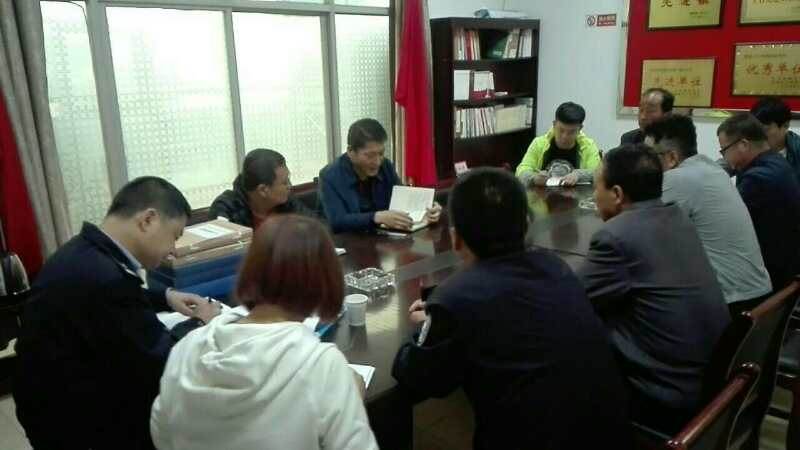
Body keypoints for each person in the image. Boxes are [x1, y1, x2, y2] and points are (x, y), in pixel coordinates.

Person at [392, 168, 630, 450]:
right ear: (527, 225)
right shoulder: (556, 267)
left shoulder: (455, 298)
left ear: (455, 239)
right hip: (612, 436)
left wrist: (430, 326)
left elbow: (417, 376)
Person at [13, 177, 221, 450]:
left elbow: (120, 297)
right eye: (175, 235)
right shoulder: (105, 277)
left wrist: (167, 297)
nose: (173, 249)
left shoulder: (85, 251)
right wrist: (201, 321)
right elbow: (159, 358)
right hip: (79, 424)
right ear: (148, 220)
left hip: (49, 401)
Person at [151, 215, 378, 450]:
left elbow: (162, 435)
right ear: (326, 282)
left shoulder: (185, 350)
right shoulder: (321, 365)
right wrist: (352, 397)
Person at [577, 144, 730, 435]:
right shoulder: (677, 217)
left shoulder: (616, 237)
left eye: (596, 188)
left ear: (617, 194)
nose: (594, 197)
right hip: (710, 381)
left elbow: (573, 302)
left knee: (568, 344)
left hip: (665, 395)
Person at [643, 115, 772, 310]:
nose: (645, 164)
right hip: (757, 295)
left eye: (650, 157)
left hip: (731, 302)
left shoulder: (678, 178)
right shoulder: (711, 168)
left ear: (671, 157)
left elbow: (638, 229)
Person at [718, 113, 800, 292]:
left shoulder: (759, 178)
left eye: (724, 151)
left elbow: (723, 220)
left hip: (770, 275)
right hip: (785, 266)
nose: (725, 158)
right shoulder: (775, 162)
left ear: (743, 144)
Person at [318, 118, 441, 233]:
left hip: (382, 238)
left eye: (381, 154)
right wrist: (376, 217)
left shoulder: (385, 166)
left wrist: (429, 208)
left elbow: (402, 198)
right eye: (370, 156)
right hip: (345, 242)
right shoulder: (330, 176)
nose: (377, 162)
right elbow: (337, 221)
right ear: (351, 152)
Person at [209, 148, 314, 229]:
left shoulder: (287, 202)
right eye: (284, 182)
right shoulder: (226, 208)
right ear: (263, 190)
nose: (289, 186)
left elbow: (317, 229)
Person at [516, 102, 601, 187]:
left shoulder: (588, 146)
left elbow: (597, 173)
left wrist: (578, 175)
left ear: (580, 128)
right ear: (554, 124)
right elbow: (521, 171)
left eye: (571, 132)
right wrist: (534, 178)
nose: (565, 136)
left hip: (577, 194)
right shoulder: (539, 144)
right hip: (541, 194)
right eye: (561, 130)